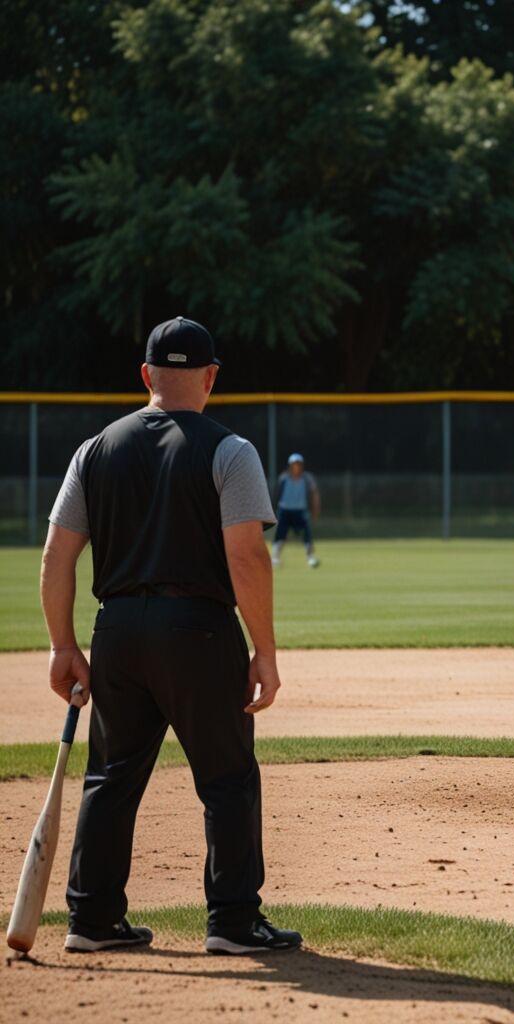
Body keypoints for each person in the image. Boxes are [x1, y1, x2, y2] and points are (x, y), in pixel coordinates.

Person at [42, 316, 302, 955]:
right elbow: (246, 558)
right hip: (199, 631)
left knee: (112, 774)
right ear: (211, 377)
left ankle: (92, 919)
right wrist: (264, 649)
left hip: (118, 632)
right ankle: (235, 923)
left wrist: (62, 646)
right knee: (226, 777)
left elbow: (55, 557)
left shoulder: (93, 449)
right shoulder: (229, 450)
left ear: (145, 375)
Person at [271, 453, 321, 568]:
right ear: (290, 465)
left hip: (300, 511)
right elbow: (276, 495)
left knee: (307, 535)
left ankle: (310, 558)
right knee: (280, 535)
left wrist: (315, 511)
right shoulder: (283, 478)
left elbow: (314, 495)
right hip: (284, 511)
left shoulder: (307, 478)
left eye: (298, 463)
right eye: (294, 464)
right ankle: (275, 558)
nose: (296, 466)